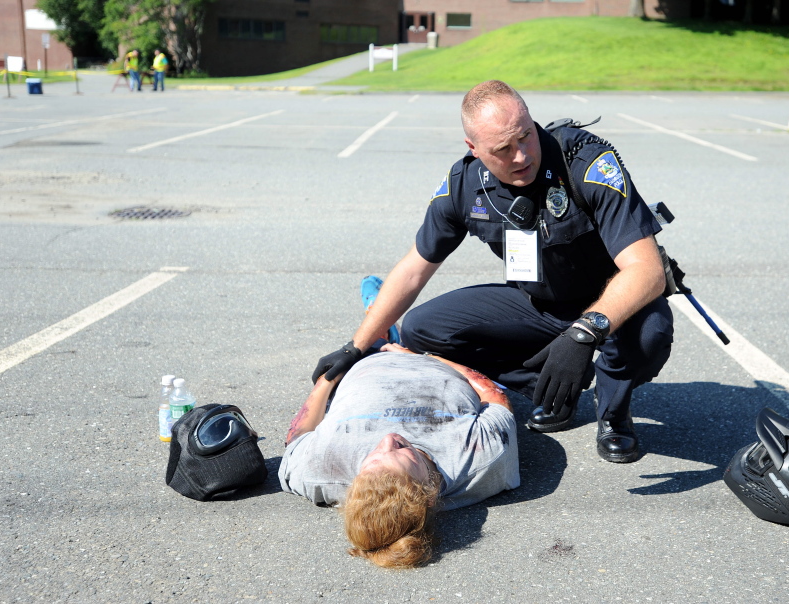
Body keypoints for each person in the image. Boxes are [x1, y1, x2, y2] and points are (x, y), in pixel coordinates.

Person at [313, 80, 672, 464]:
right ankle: (553, 388)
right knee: (422, 328)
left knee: (651, 333)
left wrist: (584, 334)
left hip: (613, 305)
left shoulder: (586, 163)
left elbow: (647, 270)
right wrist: (357, 346)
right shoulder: (464, 184)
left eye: (526, 137)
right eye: (503, 149)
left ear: (532, 122)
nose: (521, 157)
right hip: (539, 304)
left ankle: (613, 411)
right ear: (474, 149)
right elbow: (414, 269)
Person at [281, 277, 519, 569]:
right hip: (438, 362)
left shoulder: (319, 472)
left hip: (364, 366)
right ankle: (389, 326)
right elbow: (495, 398)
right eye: (402, 453)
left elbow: (298, 436)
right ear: (430, 494)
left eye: (371, 459)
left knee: (374, 338)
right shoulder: (480, 459)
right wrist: (424, 357)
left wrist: (328, 378)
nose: (387, 440)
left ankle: (379, 319)